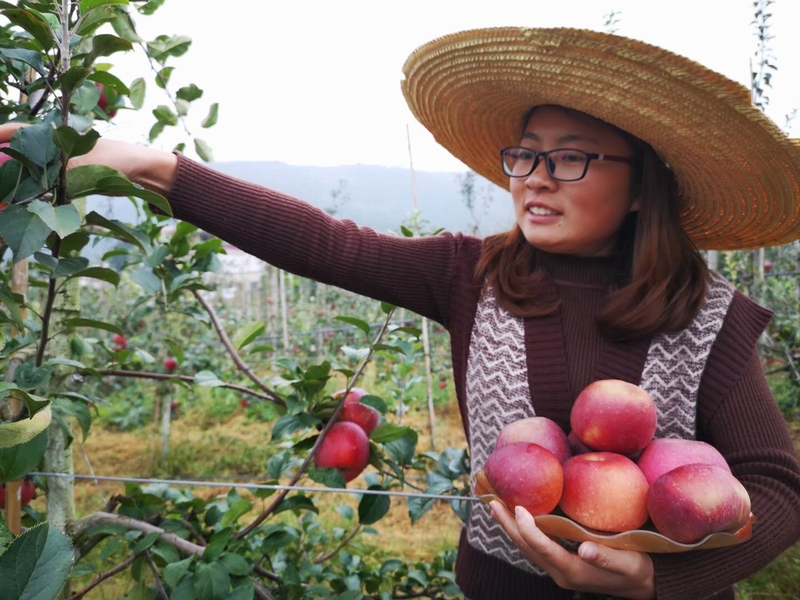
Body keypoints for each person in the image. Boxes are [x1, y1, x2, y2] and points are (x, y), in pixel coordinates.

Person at [3, 26, 800, 600]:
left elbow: (777, 487)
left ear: (639, 186)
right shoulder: (472, 276)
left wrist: (665, 578)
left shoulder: (707, 317)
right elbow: (326, 244)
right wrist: (156, 168)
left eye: (569, 157)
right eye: (524, 153)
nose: (533, 178)